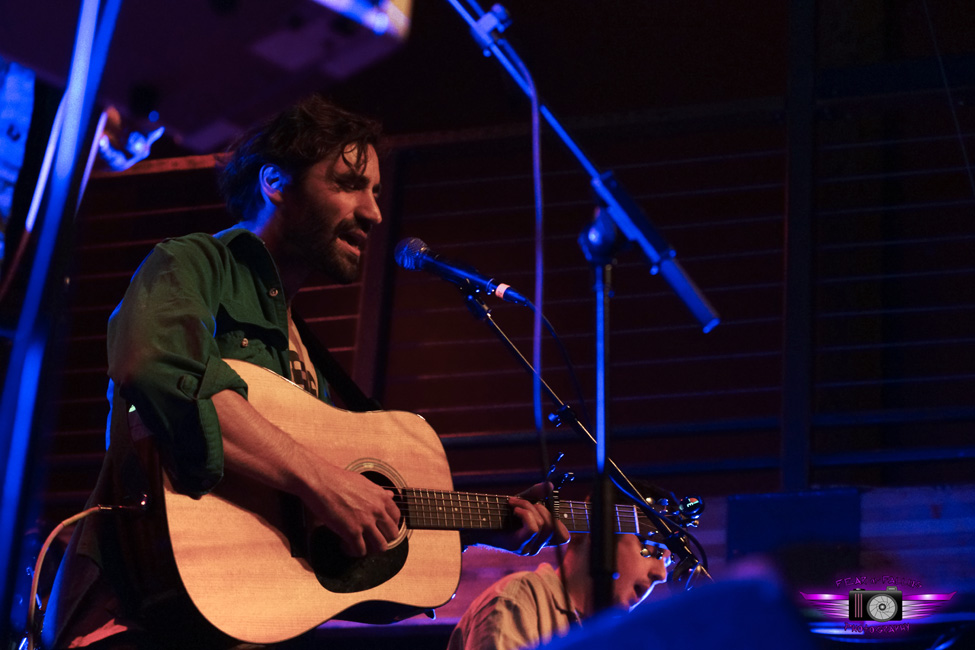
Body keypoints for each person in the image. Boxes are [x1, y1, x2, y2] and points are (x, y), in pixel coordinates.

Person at [43, 95, 567, 650]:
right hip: (130, 619)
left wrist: (480, 525)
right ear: (275, 182)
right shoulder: (194, 263)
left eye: (376, 192)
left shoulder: (309, 361)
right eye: (349, 184)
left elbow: (319, 524)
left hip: (242, 627)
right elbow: (155, 366)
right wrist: (323, 481)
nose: (374, 213)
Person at [447, 487, 672, 650]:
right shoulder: (519, 599)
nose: (661, 574)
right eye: (651, 551)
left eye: (667, 561)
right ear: (598, 532)